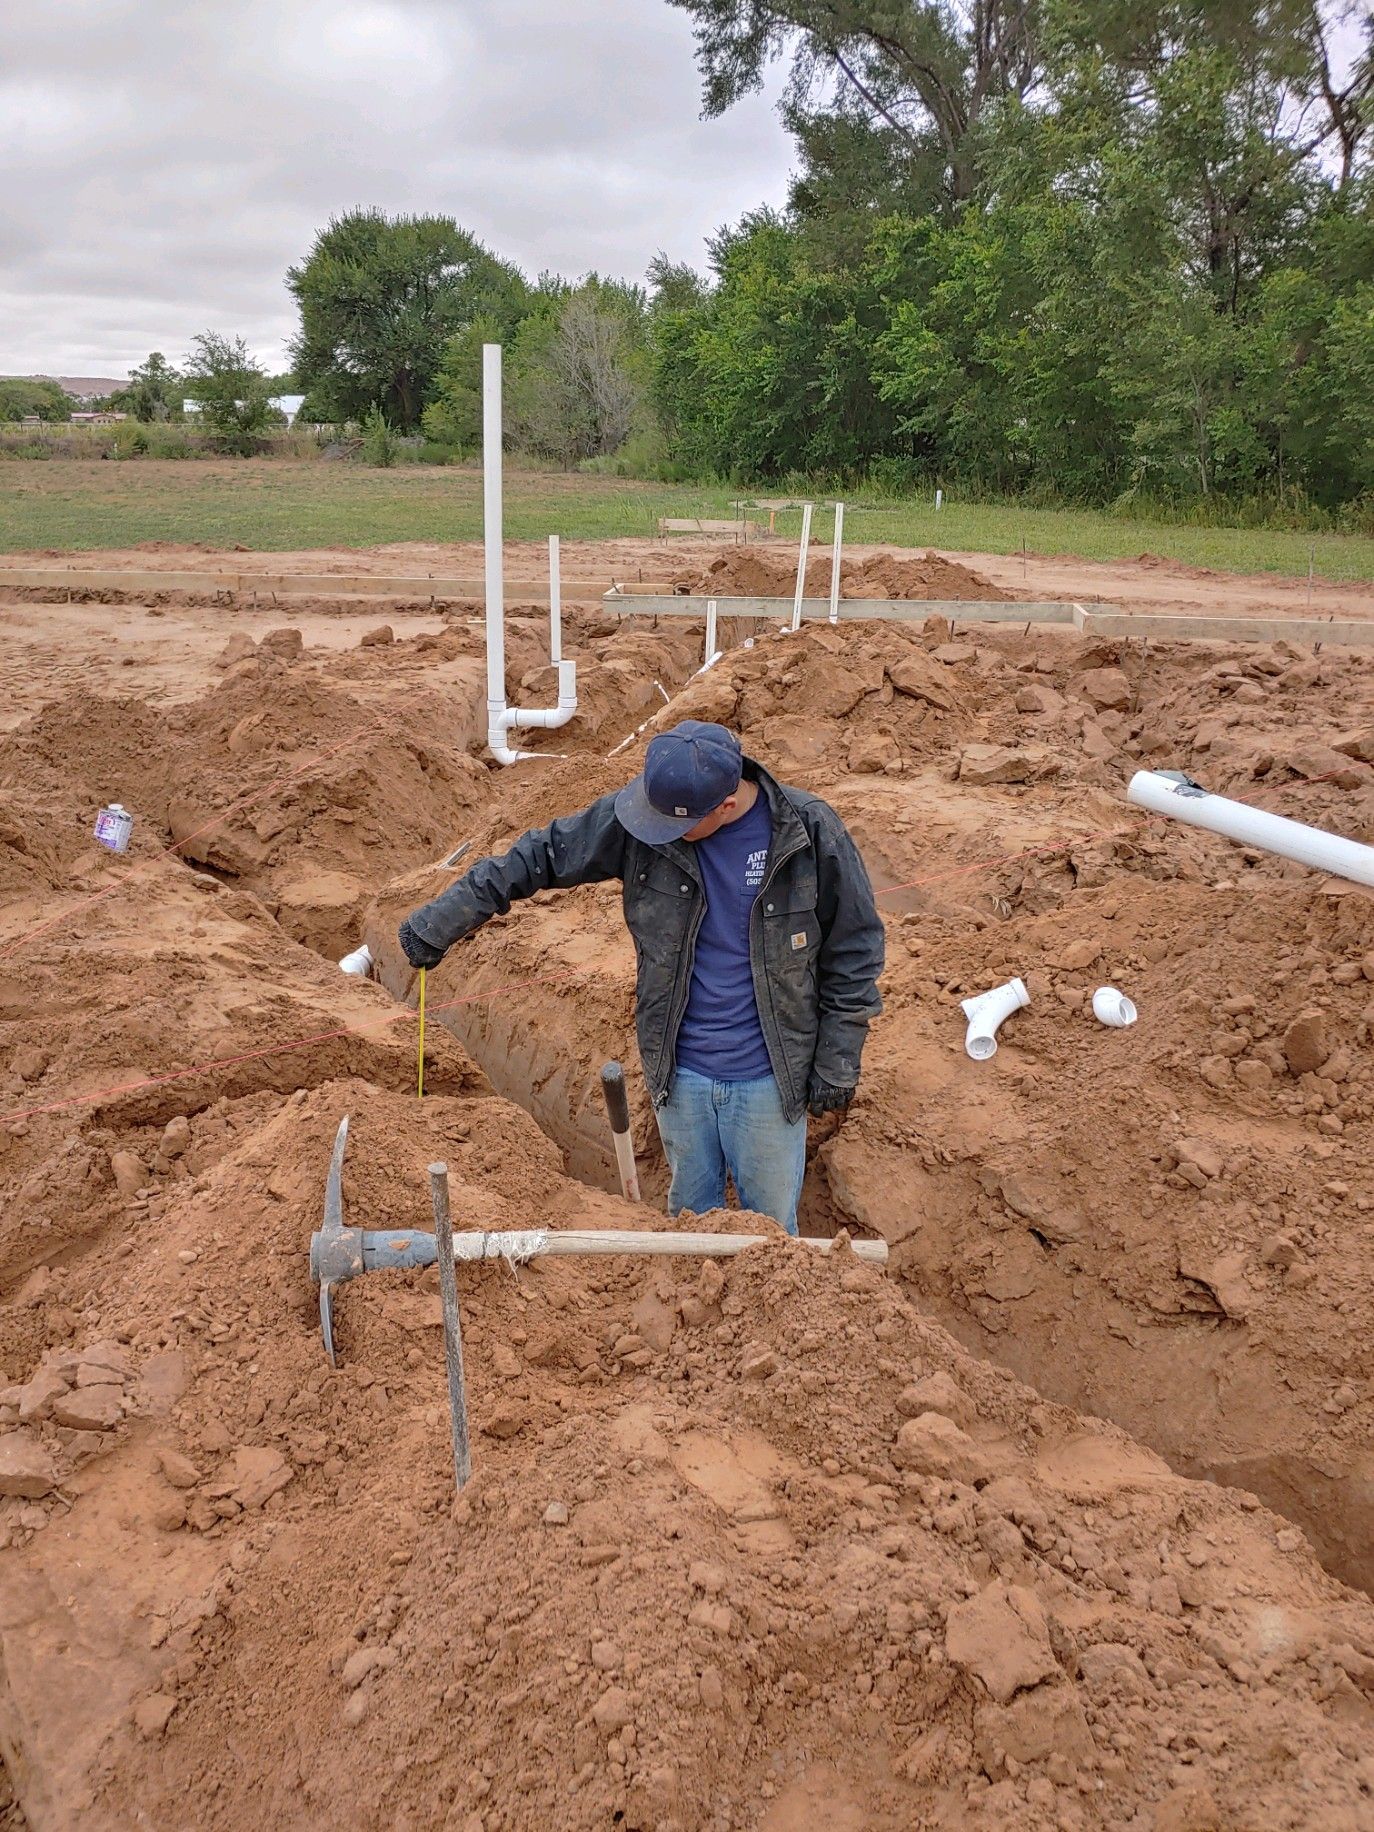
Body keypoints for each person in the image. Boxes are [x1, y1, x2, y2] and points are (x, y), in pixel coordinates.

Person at [398, 720, 883, 1236]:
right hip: (681, 1074)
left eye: (671, 824)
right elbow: (538, 856)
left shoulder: (807, 832)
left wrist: (838, 1057)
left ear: (723, 806)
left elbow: (855, 947)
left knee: (770, 1235)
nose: (651, 830)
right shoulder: (644, 822)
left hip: (770, 1081)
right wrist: (445, 917)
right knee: (688, 1224)